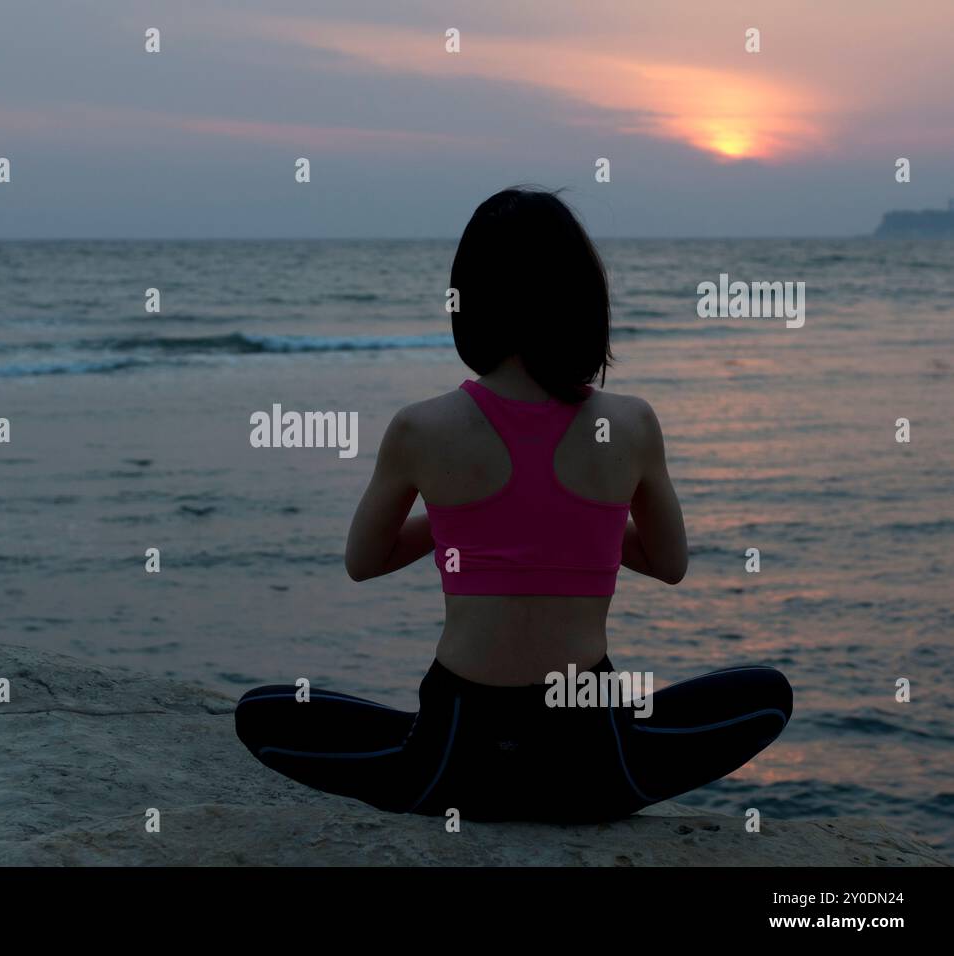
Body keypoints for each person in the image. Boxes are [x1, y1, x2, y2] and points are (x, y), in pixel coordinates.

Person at [235, 188, 792, 822]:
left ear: (467, 301)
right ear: (583, 298)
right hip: (590, 762)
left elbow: (365, 560)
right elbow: (669, 563)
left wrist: (458, 520)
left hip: (454, 760)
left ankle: (436, 762)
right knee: (766, 697)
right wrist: (581, 521)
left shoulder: (421, 427)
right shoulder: (632, 424)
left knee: (263, 714)